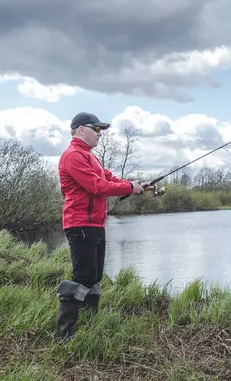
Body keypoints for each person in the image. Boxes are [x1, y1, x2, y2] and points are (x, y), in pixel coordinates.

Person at [55, 112, 147, 338]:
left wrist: (132, 185)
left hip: (95, 225)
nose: (100, 134)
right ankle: (63, 333)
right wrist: (128, 188)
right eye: (96, 130)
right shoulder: (73, 156)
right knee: (82, 277)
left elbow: (109, 178)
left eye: (101, 130)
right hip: (80, 224)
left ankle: (88, 322)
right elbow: (97, 186)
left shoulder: (90, 157)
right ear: (80, 130)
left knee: (95, 278)